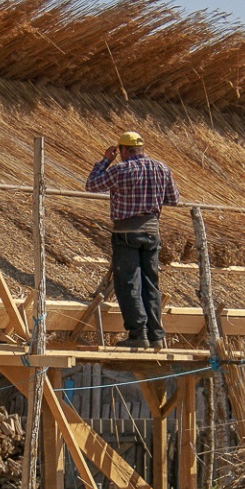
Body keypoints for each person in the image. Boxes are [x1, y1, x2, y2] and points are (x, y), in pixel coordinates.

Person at [85, 130, 181, 349]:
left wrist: (105, 160)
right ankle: (156, 334)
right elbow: (174, 199)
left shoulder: (120, 170)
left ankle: (138, 334)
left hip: (126, 232)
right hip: (151, 231)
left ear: (124, 150)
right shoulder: (161, 168)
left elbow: (91, 185)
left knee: (128, 283)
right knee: (150, 284)